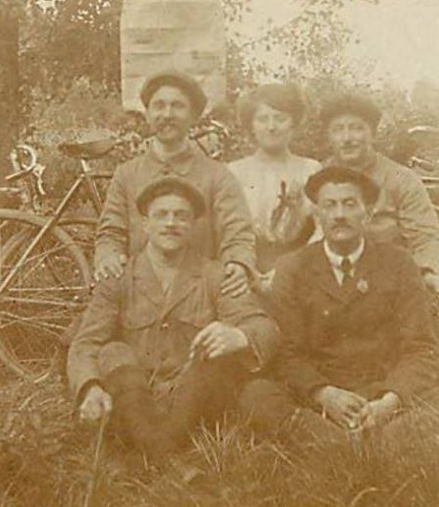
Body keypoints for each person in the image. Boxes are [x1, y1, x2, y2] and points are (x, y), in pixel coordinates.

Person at [69, 177, 281, 466]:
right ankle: (169, 458)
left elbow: (264, 327)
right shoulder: (118, 277)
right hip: (134, 395)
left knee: (213, 356)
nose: (171, 223)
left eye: (181, 216)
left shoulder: (214, 275)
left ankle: (151, 453)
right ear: (145, 224)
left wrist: (240, 336)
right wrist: (90, 388)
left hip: (191, 400)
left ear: (193, 226)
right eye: (162, 215)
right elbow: (86, 343)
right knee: (112, 351)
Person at [238, 165, 439, 439]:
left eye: (349, 205)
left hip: (382, 390)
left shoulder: (399, 263)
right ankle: (354, 443)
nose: (339, 215)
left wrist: (388, 402)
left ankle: (360, 437)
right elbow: (287, 353)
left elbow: (420, 348)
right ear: (318, 215)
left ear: (367, 213)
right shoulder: (293, 267)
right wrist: (324, 394)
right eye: (329, 206)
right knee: (256, 394)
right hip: (322, 397)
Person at [94, 70, 255, 297]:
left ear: (193, 115)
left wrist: (239, 263)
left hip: (199, 297)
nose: (167, 114)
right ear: (148, 114)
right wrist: (108, 254)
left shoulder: (218, 176)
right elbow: (111, 231)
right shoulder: (127, 175)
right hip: (139, 297)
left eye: (178, 106)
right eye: (158, 106)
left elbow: (237, 232)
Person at [321, 92, 439, 297]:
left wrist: (429, 272)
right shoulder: (316, 179)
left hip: (390, 285)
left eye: (356, 128)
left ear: (372, 133)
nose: (347, 138)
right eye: (338, 130)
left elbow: (425, 237)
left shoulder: (401, 178)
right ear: (328, 137)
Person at [228, 83, 320, 276]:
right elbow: (228, 232)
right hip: (246, 271)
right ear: (251, 126)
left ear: (293, 123)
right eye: (262, 119)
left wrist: (291, 270)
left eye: (280, 118)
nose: (271, 127)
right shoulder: (234, 172)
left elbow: (321, 230)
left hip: (301, 271)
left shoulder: (311, 170)